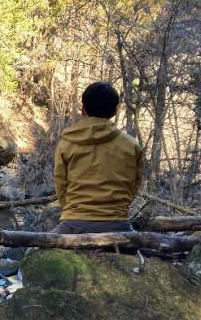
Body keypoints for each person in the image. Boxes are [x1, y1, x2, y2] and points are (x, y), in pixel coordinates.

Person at [52, 82, 143, 234]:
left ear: (83, 109)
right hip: (118, 224)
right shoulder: (132, 146)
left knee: (33, 252)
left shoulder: (67, 144)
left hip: (74, 222)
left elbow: (61, 185)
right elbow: (134, 185)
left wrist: (72, 211)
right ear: (114, 111)